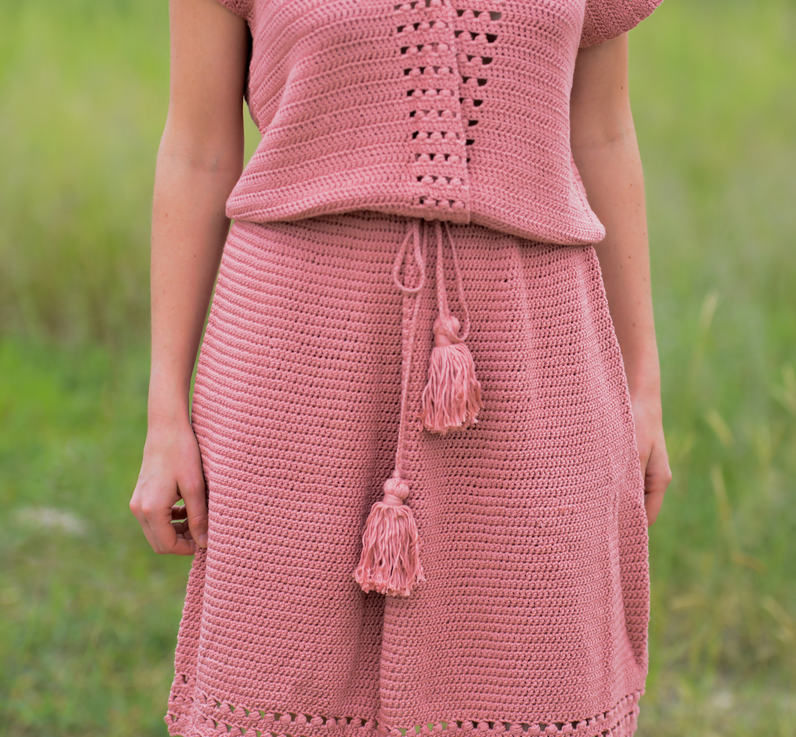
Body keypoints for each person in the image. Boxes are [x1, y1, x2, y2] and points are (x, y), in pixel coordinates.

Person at [129, 0, 673, 735]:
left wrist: (644, 387)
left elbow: (604, 135)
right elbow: (198, 152)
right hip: (296, 358)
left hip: (533, 355)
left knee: (536, 660)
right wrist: (165, 409)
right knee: (282, 678)